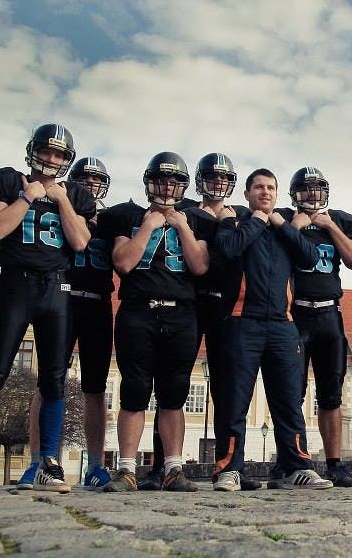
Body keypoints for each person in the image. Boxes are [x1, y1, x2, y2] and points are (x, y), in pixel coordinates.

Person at [0, 124, 93, 494]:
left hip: (57, 288)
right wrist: (28, 196)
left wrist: (62, 201)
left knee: (54, 379)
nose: (51, 158)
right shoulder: (6, 181)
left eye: (59, 154)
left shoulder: (74, 194)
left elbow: (80, 242)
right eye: (47, 151)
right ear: (33, 151)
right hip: (16, 284)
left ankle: (48, 462)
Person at [138, 153, 261, 491]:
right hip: (189, 303)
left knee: (227, 390)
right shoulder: (184, 212)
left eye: (224, 178)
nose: (218, 183)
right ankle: (161, 467)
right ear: (200, 179)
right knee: (172, 386)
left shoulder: (242, 216)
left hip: (226, 308)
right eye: (212, 177)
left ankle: (228, 466)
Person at [211, 169, 332, 491]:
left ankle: (297, 467)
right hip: (242, 321)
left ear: (277, 194)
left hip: (282, 324)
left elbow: (310, 257)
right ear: (247, 193)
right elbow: (227, 250)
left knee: (289, 401)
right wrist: (258, 220)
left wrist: (282, 225)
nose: (265, 192)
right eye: (258, 187)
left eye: (270, 188)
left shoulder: (284, 228)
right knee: (235, 401)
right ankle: (229, 470)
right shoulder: (233, 223)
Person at [98, 152, 211, 493]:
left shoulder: (195, 220)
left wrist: (181, 226)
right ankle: (127, 469)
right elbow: (123, 263)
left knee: (174, 393)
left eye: (174, 182)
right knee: (134, 390)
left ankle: (173, 468)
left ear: (183, 186)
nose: (167, 187)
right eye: (161, 181)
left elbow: (200, 266)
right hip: (138, 310)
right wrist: (148, 226)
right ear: (149, 182)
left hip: (181, 313)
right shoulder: (128, 216)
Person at [17, 157, 114, 491]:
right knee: (49, 381)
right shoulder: (56, 208)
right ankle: (39, 461)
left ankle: (96, 465)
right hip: (63, 298)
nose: (90, 185)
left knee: (95, 387)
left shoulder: (111, 219)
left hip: (98, 302)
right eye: (84, 179)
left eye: (96, 180)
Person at [274, 167, 352, 488]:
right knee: (291, 392)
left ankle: (335, 464)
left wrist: (330, 227)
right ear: (295, 194)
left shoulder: (338, 221)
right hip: (295, 313)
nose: (312, 194)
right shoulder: (285, 219)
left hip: (329, 314)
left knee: (331, 395)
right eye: (306, 189)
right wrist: (293, 229)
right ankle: (288, 461)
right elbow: (273, 257)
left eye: (317, 188)